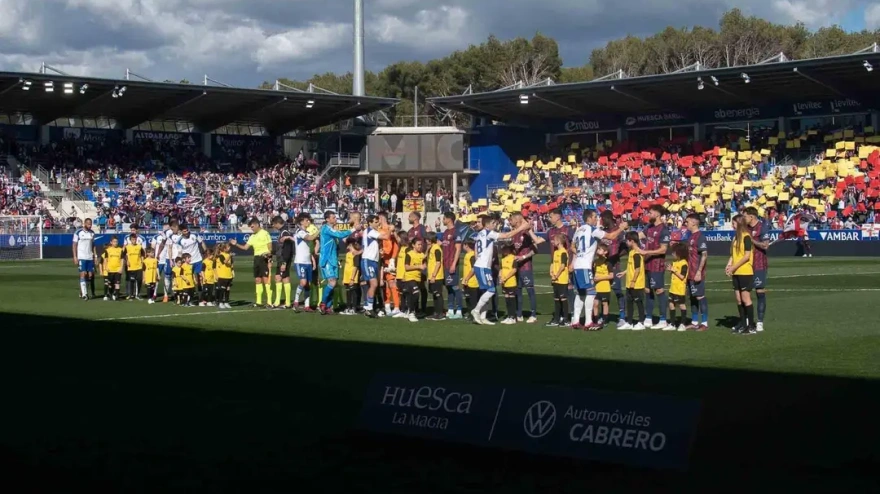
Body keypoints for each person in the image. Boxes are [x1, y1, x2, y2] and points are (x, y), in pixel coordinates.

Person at [569, 210, 628, 330]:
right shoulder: (592, 230)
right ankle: (588, 322)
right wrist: (621, 228)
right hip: (585, 266)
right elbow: (611, 236)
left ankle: (575, 320)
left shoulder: (579, 230)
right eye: (595, 217)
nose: (597, 219)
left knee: (580, 293)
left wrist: (580, 253)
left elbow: (572, 246)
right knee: (591, 292)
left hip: (578, 265)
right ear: (589, 218)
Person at [472, 215, 530, 326]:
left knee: (486, 292)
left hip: (482, 265)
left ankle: (483, 317)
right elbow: (506, 235)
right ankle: (476, 310)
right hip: (483, 266)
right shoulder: (488, 233)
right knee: (491, 290)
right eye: (493, 224)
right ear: (488, 224)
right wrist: (521, 227)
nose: (495, 226)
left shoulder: (480, 234)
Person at [637, 205, 671, 329]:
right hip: (647, 264)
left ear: (657, 214)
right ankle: (649, 317)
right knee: (647, 290)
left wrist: (646, 253)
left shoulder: (663, 230)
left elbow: (663, 249)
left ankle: (663, 319)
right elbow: (639, 236)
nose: (648, 215)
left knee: (659, 290)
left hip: (657, 264)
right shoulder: (649, 227)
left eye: (650, 213)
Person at [229, 218, 274, 308]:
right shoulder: (252, 236)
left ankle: (269, 302)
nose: (252, 229)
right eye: (251, 227)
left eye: (252, 227)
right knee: (257, 280)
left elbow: (270, 248)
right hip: (256, 258)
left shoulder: (265, 233)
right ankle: (258, 302)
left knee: (266, 280)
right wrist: (236, 244)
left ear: (257, 225)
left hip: (264, 258)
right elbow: (245, 247)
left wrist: (269, 258)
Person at [510, 212, 545, 323]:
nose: (510, 222)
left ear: (517, 220)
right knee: (518, 291)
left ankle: (533, 314)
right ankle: (519, 313)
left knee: (530, 291)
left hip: (526, 267)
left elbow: (535, 250)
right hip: (517, 267)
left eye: (511, 220)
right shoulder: (513, 233)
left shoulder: (526, 234)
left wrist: (524, 257)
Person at [318, 211, 355, 315]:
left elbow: (339, 235)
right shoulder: (326, 228)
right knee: (332, 282)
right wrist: (353, 229)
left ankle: (328, 307)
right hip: (327, 259)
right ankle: (323, 303)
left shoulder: (331, 229)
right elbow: (339, 234)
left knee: (334, 284)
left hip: (333, 259)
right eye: (333, 217)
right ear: (327, 219)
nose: (335, 219)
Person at [726, 215, 757, 334]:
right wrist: (729, 265)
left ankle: (751, 325)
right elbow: (733, 255)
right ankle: (743, 324)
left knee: (746, 299)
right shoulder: (735, 238)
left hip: (745, 271)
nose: (732, 225)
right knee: (739, 299)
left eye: (733, 223)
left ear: (739, 223)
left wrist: (733, 266)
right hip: (736, 272)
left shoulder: (746, 237)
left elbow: (747, 256)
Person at [361, 215, 392, 318]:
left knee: (374, 284)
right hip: (368, 260)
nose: (377, 224)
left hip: (373, 261)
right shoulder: (370, 231)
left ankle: (368, 307)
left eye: (378, 222)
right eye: (375, 222)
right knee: (373, 284)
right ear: (370, 223)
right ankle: (368, 308)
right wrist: (389, 229)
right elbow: (386, 236)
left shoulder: (371, 231)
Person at [744, 207, 769, 332]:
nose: (744, 219)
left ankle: (759, 321)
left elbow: (765, 245)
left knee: (760, 292)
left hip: (759, 264)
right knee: (745, 293)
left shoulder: (762, 227)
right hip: (746, 265)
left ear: (751, 217)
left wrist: (751, 240)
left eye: (745, 216)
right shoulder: (745, 228)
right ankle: (747, 320)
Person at [287, 214, 319, 312]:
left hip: (307, 261)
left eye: (309, 220)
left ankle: (306, 305)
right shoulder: (300, 232)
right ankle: (296, 302)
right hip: (300, 261)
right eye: (306, 220)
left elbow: (308, 248)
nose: (308, 222)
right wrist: (319, 231)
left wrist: (312, 259)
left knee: (307, 284)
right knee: (303, 282)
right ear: (301, 222)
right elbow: (310, 238)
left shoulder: (306, 232)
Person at [600, 210, 627, 325]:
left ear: (608, 218)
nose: (601, 221)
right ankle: (604, 316)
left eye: (603, 219)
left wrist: (614, 256)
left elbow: (626, 249)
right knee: (603, 292)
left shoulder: (619, 232)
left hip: (614, 266)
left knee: (617, 291)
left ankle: (622, 316)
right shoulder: (603, 232)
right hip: (603, 267)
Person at [684, 213, 709, 331]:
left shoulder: (700, 237)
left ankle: (704, 323)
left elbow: (704, 254)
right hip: (690, 272)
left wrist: (699, 271)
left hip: (696, 272)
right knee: (693, 297)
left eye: (687, 221)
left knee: (700, 297)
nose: (686, 223)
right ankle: (694, 322)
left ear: (694, 222)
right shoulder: (690, 236)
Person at [618, 232, 646, 330]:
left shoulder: (637, 254)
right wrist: (624, 272)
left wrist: (633, 281)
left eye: (627, 240)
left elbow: (637, 269)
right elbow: (632, 267)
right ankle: (629, 322)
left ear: (632, 241)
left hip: (636, 284)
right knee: (629, 302)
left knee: (639, 303)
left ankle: (641, 322)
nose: (626, 242)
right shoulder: (631, 252)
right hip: (629, 283)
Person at [440, 212, 464, 320]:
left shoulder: (456, 232)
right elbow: (443, 244)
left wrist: (454, 263)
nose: (442, 220)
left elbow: (458, 249)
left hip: (451, 263)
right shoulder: (445, 232)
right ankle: (450, 309)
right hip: (445, 264)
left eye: (444, 218)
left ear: (449, 219)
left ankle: (459, 310)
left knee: (455, 287)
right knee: (449, 287)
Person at [271, 216, 294, 309]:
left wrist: (284, 262)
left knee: (283, 278)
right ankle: (281, 301)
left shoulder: (285, 233)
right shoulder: (283, 232)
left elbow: (287, 249)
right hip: (281, 259)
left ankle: (284, 302)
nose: (273, 226)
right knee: (279, 278)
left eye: (273, 224)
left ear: (277, 223)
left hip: (283, 259)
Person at [72, 217, 98, 300]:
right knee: (83, 274)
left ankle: (82, 291)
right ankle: (84, 294)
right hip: (81, 257)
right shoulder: (78, 232)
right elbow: (74, 245)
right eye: (88, 224)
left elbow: (93, 245)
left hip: (89, 257)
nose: (90, 226)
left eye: (91, 224)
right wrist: (75, 257)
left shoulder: (92, 233)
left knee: (90, 276)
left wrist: (95, 256)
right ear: (85, 224)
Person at [667, 243, 690, 331]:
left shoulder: (684, 263)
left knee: (681, 305)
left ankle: (682, 324)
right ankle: (672, 324)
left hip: (680, 289)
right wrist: (670, 269)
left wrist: (674, 270)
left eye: (674, 252)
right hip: (673, 288)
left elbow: (682, 277)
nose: (672, 254)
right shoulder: (675, 262)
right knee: (671, 304)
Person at [548, 234, 570, 327]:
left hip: (562, 279)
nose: (553, 241)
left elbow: (563, 265)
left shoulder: (563, 252)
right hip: (555, 280)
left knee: (563, 299)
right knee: (556, 299)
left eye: (555, 240)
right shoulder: (556, 252)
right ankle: (556, 319)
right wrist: (551, 272)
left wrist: (556, 275)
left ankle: (566, 319)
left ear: (559, 242)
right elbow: (553, 263)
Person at [403, 237, 426, 323]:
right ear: (413, 245)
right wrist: (418, 266)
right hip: (410, 278)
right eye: (418, 244)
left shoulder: (422, 254)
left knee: (413, 296)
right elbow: (406, 267)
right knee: (416, 293)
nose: (420, 246)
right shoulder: (409, 254)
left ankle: (410, 310)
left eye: (421, 245)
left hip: (418, 278)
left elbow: (424, 263)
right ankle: (411, 313)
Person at [591, 244, 613, 330]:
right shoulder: (595, 262)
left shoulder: (608, 263)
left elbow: (611, 276)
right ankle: (595, 320)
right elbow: (593, 274)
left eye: (600, 249)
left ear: (605, 252)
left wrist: (600, 278)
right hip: (596, 287)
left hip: (605, 287)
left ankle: (605, 320)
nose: (597, 251)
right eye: (598, 249)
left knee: (604, 303)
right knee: (595, 304)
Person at [426, 231, 446, 321]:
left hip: (437, 276)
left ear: (431, 239)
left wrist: (433, 276)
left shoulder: (436, 249)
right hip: (432, 276)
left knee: (438, 295)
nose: (426, 241)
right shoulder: (432, 248)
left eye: (427, 239)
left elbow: (438, 263)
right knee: (434, 294)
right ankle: (436, 312)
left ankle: (440, 313)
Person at [498, 245, 518, 325]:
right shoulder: (502, 259)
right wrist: (500, 277)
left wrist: (505, 278)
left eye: (504, 249)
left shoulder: (513, 258)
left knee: (512, 300)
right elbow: (501, 269)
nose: (503, 251)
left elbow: (514, 270)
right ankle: (509, 316)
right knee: (507, 300)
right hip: (504, 282)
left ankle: (513, 317)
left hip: (511, 282)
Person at [342, 239, 362, 315]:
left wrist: (352, 278)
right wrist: (344, 278)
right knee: (348, 293)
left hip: (352, 278)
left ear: (350, 245)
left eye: (347, 244)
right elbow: (346, 267)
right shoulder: (347, 254)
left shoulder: (356, 254)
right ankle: (348, 307)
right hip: (347, 277)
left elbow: (355, 267)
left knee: (354, 293)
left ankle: (354, 308)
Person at [393, 231, 410, 318]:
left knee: (407, 293)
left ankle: (408, 310)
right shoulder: (401, 248)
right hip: (399, 275)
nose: (397, 239)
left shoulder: (408, 249)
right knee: (401, 293)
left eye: (398, 237)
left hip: (405, 276)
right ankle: (403, 310)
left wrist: (404, 275)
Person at [101, 236, 123, 301]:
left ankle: (117, 296)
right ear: (111, 242)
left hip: (117, 269)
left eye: (116, 241)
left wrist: (121, 268)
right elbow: (105, 260)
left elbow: (122, 259)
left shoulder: (120, 250)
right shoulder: (107, 250)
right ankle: (110, 294)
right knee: (110, 284)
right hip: (110, 269)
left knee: (117, 283)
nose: (115, 243)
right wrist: (105, 267)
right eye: (114, 242)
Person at [461, 239, 479, 317]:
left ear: (466, 245)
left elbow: (473, 269)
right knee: (468, 298)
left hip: (473, 282)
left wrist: (467, 278)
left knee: (473, 300)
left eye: (463, 245)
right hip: (467, 282)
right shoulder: (467, 255)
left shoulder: (472, 255)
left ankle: (474, 315)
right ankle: (470, 313)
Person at [123, 234, 145, 300]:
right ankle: (131, 295)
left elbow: (143, 255)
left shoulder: (139, 247)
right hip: (131, 267)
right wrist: (127, 261)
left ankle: (138, 294)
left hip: (138, 266)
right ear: (130, 240)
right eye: (132, 239)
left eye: (135, 239)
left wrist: (142, 262)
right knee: (131, 281)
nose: (134, 241)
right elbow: (124, 255)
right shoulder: (127, 247)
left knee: (139, 280)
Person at [215, 243, 235, 309]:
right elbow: (225, 262)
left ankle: (226, 302)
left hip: (229, 275)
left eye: (229, 247)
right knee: (222, 289)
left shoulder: (229, 255)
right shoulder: (221, 255)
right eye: (228, 247)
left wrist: (233, 272)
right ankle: (221, 302)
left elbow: (231, 264)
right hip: (222, 275)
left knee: (227, 289)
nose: (229, 248)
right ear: (224, 248)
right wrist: (229, 256)